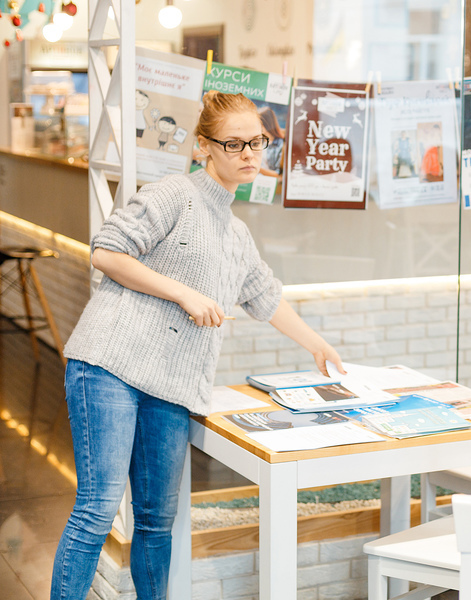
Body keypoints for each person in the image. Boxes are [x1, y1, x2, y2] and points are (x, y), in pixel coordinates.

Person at [51, 90, 344, 600]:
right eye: (235, 144)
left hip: (172, 385)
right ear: (202, 147)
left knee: (156, 522)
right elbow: (106, 252)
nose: (250, 153)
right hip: (108, 365)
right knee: (98, 508)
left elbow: (266, 298)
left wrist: (317, 344)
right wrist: (185, 293)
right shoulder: (172, 195)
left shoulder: (237, 234)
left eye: (258, 142)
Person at [258, 106, 285, 177]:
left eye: (259, 124)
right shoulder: (260, 141)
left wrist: (258, 169)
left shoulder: (280, 144)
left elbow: (277, 174)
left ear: (266, 124)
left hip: (268, 182)